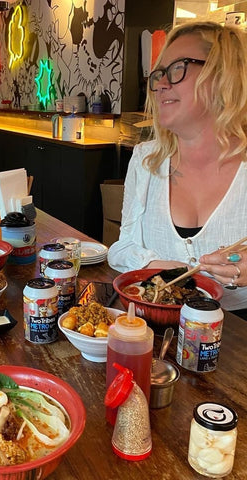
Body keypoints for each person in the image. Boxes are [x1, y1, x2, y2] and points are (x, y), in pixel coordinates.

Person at [108, 21, 247, 316]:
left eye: (178, 68)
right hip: (156, 329)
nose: (161, 84)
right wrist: (157, 266)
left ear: (224, 76)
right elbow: (121, 249)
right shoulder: (147, 160)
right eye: (158, 74)